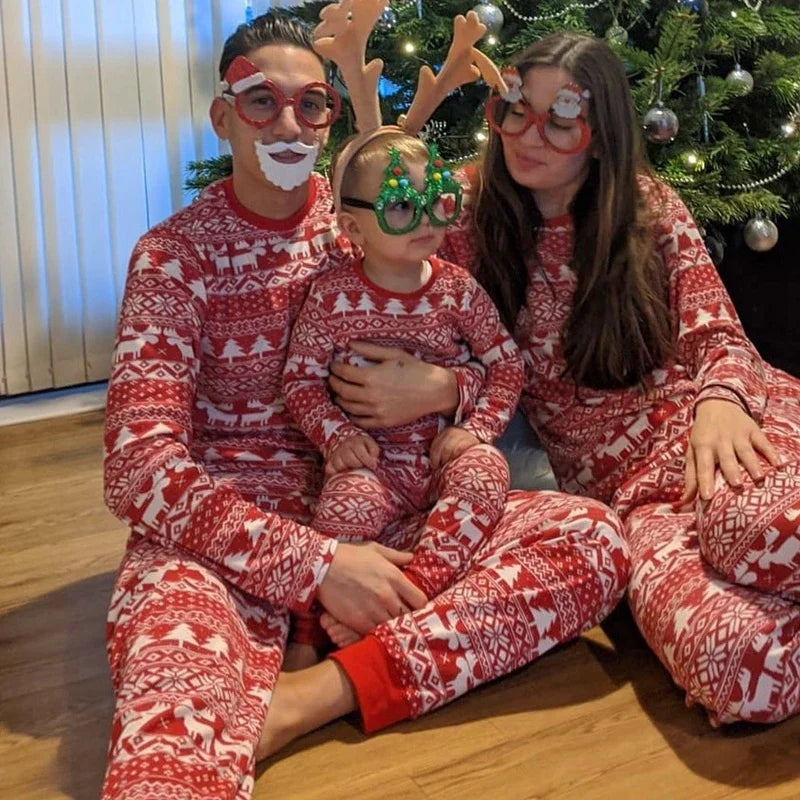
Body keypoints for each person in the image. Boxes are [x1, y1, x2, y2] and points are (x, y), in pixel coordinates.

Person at [101, 11, 629, 798]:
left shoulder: (388, 208)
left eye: (311, 103)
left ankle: (321, 691)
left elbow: (494, 345)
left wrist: (451, 391)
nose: (289, 122)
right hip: (226, 544)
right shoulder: (173, 257)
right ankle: (311, 656)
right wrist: (316, 565)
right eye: (260, 102)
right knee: (166, 760)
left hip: (399, 505)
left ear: (330, 118)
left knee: (592, 540)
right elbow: (138, 470)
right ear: (221, 117)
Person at [434, 31, 800, 726]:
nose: (527, 134)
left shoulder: (649, 207)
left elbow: (719, 334)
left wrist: (721, 403)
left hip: (729, 431)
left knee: (747, 530)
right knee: (738, 669)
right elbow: (370, 225)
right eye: (515, 109)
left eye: (561, 121)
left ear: (600, 139)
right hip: (636, 504)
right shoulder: (466, 217)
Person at [282, 130, 524, 651]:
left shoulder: (458, 289)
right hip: (374, 465)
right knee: (346, 504)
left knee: (488, 471)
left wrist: (477, 430)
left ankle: (417, 593)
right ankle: (306, 634)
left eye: (437, 200)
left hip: (442, 459)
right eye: (399, 207)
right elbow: (300, 379)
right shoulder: (331, 296)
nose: (428, 220)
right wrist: (335, 437)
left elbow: (506, 365)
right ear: (352, 227)